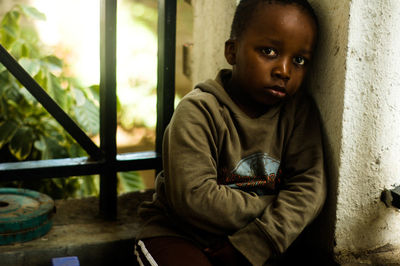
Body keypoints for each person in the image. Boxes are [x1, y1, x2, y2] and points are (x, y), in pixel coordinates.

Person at [135, 0, 326, 265]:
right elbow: (195, 197)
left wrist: (254, 243)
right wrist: (276, 205)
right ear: (232, 51)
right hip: (181, 234)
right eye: (269, 51)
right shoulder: (198, 111)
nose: (284, 70)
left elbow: (309, 189)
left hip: (257, 237)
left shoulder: (298, 113)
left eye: (299, 60)